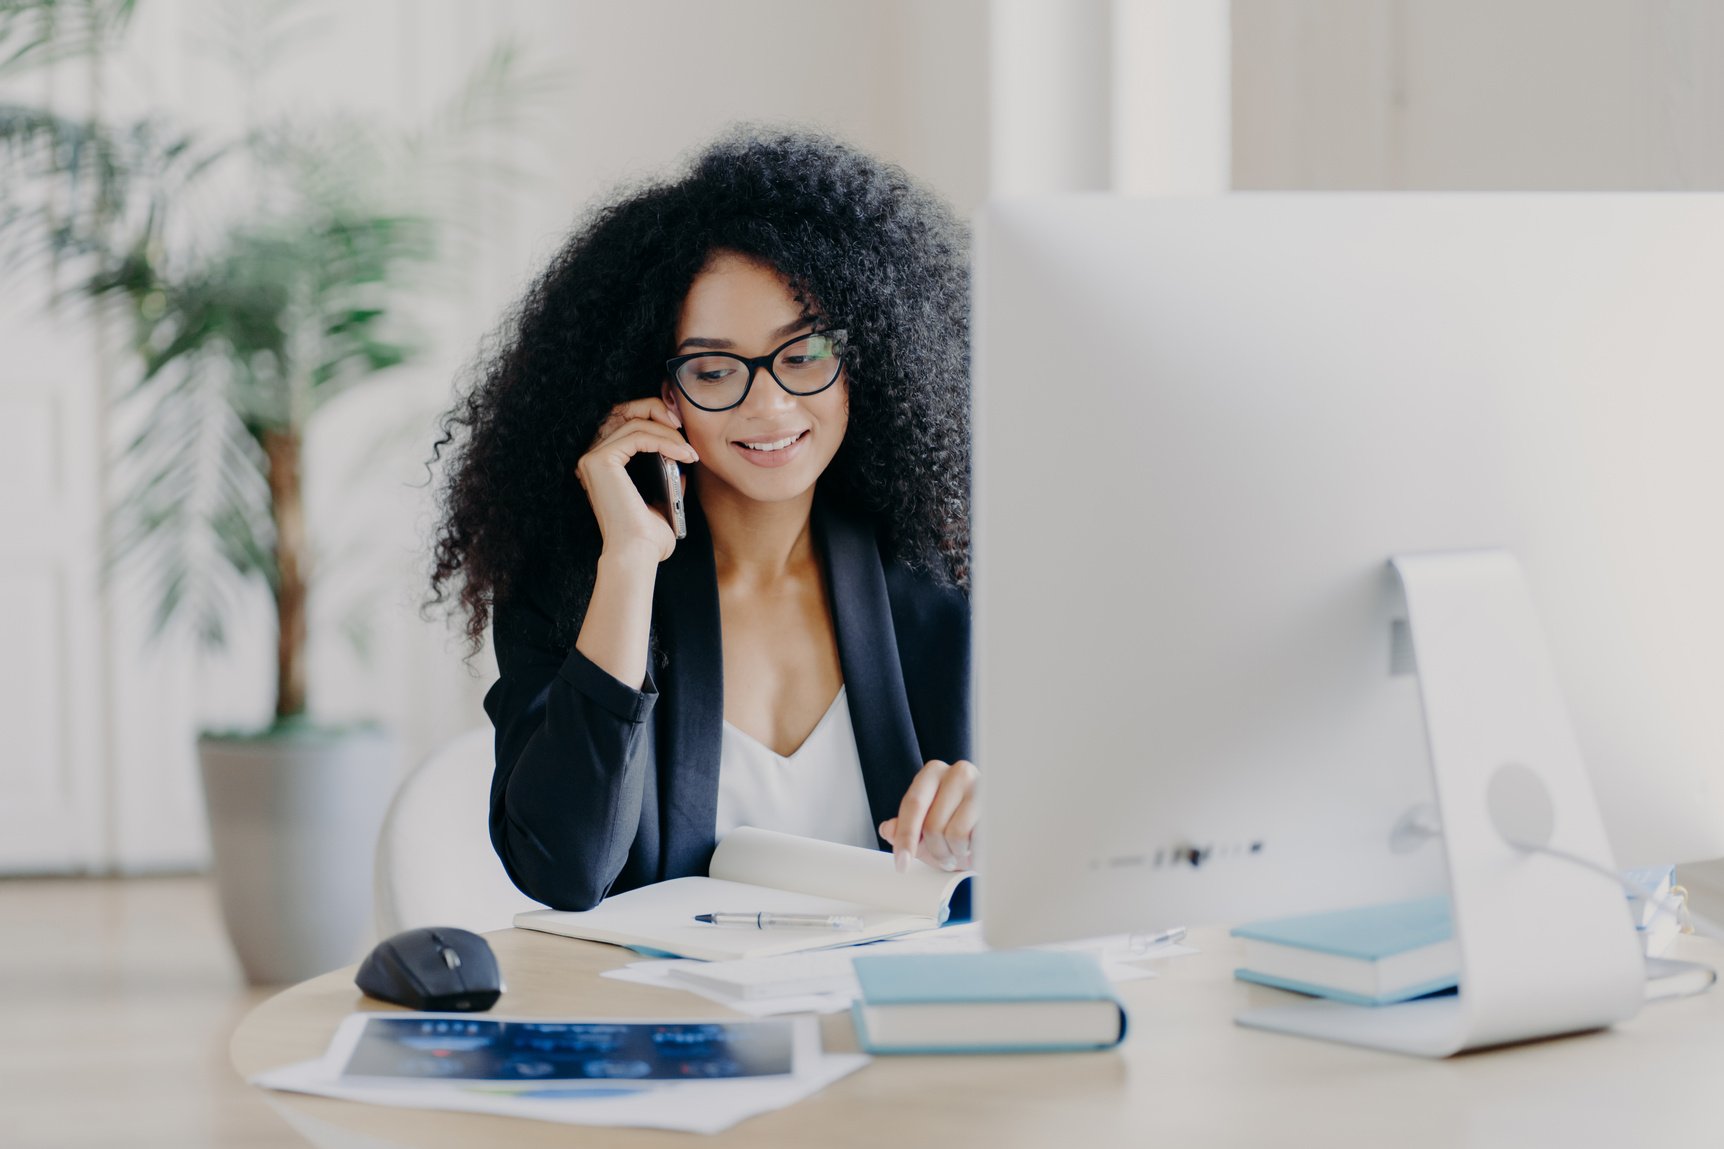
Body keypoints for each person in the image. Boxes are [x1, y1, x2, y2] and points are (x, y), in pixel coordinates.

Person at [429, 128, 973, 911]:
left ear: (867, 356)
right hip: (664, 994)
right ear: (660, 392)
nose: (770, 405)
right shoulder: (578, 586)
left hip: (894, 989)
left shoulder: (946, 573)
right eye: (714, 369)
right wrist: (629, 561)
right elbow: (564, 869)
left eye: (804, 353)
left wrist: (990, 814)